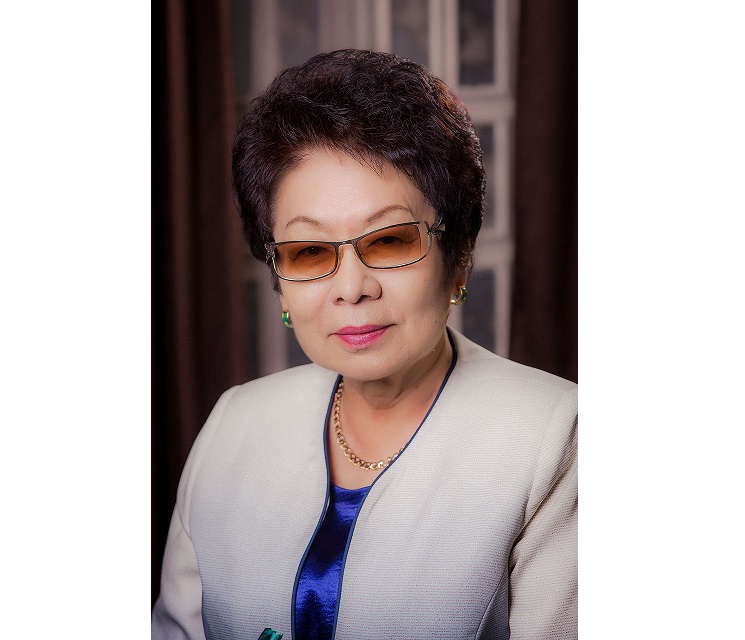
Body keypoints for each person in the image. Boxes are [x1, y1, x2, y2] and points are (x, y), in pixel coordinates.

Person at [152, 49, 577, 640]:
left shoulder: (554, 437)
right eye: (308, 252)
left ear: (458, 258)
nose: (351, 288)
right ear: (279, 280)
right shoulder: (234, 424)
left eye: (390, 241)